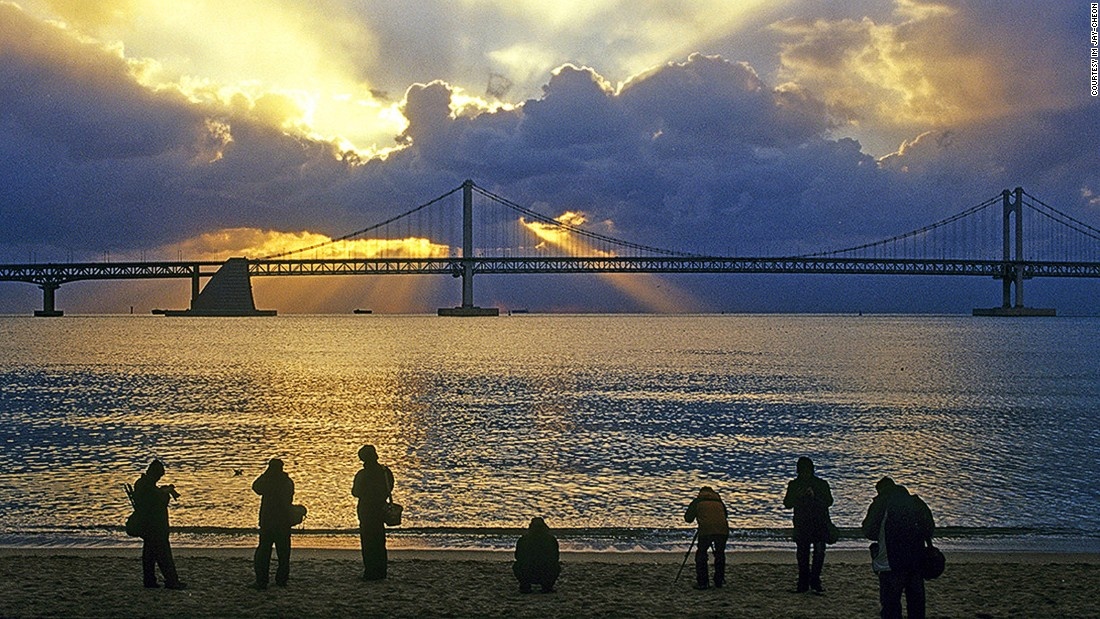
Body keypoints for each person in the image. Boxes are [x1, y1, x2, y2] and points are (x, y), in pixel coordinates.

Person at [861, 477, 935, 619]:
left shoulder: (881, 503)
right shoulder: (916, 502)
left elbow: (868, 530)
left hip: (890, 562)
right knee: (916, 605)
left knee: (891, 606)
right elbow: (929, 529)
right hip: (916, 561)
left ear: (880, 491)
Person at [783, 456, 834, 593]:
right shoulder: (794, 485)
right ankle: (804, 582)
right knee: (804, 554)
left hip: (818, 523)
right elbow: (787, 503)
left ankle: (814, 580)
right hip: (803, 524)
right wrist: (798, 496)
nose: (804, 474)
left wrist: (814, 496)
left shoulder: (821, 484)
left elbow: (829, 502)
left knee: (817, 553)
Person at [132, 459, 185, 590]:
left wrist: (163, 490)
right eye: (159, 475)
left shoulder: (143, 484)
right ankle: (171, 581)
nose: (159, 478)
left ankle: (150, 581)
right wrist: (165, 493)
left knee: (150, 554)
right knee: (163, 554)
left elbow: (154, 496)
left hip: (150, 525)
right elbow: (156, 502)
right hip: (154, 525)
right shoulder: (145, 486)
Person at [351, 444, 395, 581]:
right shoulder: (385, 471)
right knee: (379, 540)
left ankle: (370, 571)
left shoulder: (362, 474)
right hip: (380, 507)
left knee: (368, 541)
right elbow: (390, 487)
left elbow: (355, 492)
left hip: (366, 509)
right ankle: (381, 571)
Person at [252, 458, 295, 589]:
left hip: (269, 521)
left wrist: (265, 474)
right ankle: (282, 580)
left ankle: (262, 580)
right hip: (283, 521)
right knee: (283, 553)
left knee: (263, 552)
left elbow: (256, 487)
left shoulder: (268, 481)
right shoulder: (287, 481)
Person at [684, 485, 730, 590]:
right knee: (720, 554)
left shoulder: (698, 501)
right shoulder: (719, 502)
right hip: (722, 530)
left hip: (706, 530)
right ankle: (719, 581)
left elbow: (688, 518)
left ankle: (703, 582)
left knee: (701, 554)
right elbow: (725, 515)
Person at [513, 517, 561, 594]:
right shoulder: (551, 540)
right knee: (556, 566)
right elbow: (555, 557)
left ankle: (525, 586)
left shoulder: (523, 539)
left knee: (516, 565)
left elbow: (517, 556)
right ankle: (547, 587)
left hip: (527, 571)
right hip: (546, 571)